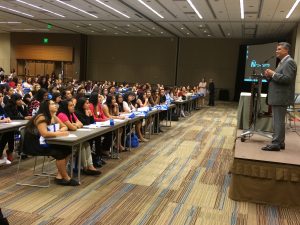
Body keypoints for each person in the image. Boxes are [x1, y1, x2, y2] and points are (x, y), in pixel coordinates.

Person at [23, 100, 79, 186]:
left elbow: (64, 126)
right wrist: (60, 133)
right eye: (52, 104)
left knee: (67, 149)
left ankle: (59, 176)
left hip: (46, 141)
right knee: (60, 153)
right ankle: (66, 178)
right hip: (35, 144)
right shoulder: (41, 117)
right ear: (46, 107)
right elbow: (44, 134)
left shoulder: (53, 116)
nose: (55, 105)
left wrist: (61, 130)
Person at [262, 42, 297, 151]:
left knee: (278, 121)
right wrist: (269, 76)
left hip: (281, 97)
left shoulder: (289, 62)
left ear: (286, 50)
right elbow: (279, 78)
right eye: (277, 49)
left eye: (279, 49)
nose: (276, 51)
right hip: (278, 96)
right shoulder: (282, 62)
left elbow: (287, 79)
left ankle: (276, 143)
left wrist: (273, 74)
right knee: (278, 121)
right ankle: (280, 142)